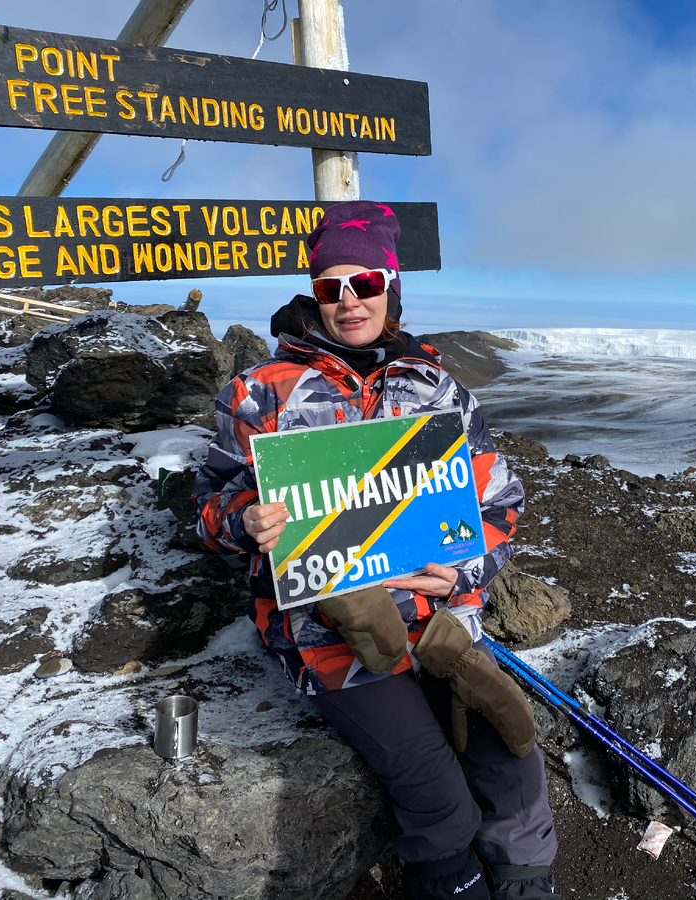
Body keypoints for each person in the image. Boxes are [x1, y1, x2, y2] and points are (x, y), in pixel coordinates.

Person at [194, 201, 557, 900]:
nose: (349, 300)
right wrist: (243, 520)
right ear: (314, 293)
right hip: (333, 633)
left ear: (390, 284)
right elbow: (206, 508)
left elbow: (499, 505)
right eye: (331, 288)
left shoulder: (436, 389)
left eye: (364, 282)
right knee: (436, 791)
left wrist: (464, 570)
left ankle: (527, 884)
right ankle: (447, 880)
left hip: (440, 616)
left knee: (513, 756)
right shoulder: (259, 394)